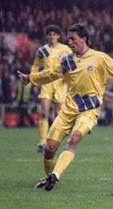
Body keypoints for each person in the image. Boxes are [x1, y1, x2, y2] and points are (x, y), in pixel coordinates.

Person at [18, 23, 113, 191]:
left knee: (73, 140)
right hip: (68, 110)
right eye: (69, 40)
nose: (70, 43)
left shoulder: (99, 58)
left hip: (89, 110)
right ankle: (48, 177)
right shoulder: (67, 60)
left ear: (84, 39)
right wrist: (31, 78)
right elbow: (51, 74)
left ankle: (55, 176)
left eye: (73, 39)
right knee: (49, 149)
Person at [30, 25, 72, 153]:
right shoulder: (42, 51)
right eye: (50, 34)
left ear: (58, 36)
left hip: (60, 83)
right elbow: (35, 66)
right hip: (46, 83)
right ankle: (43, 141)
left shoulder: (65, 49)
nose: (52, 36)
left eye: (54, 34)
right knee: (44, 113)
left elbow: (73, 63)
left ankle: (55, 140)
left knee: (60, 114)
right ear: (47, 36)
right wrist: (33, 79)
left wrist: (69, 77)